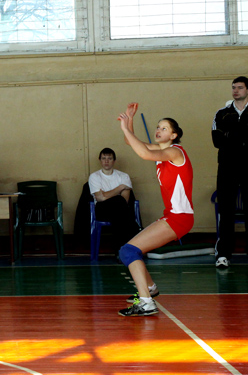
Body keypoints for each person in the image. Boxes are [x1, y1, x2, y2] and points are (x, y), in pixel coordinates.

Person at [116, 103, 193, 317]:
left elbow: (142, 153)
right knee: (129, 250)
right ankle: (149, 289)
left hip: (180, 218)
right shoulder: (161, 151)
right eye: (158, 127)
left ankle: (147, 303)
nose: (158, 130)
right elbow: (132, 143)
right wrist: (129, 122)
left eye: (164, 128)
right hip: (173, 216)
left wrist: (124, 128)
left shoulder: (175, 152)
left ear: (174, 135)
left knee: (128, 251)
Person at [212, 76, 248, 269]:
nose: (235, 90)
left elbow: (227, 137)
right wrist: (240, 136)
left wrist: (231, 135)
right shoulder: (222, 114)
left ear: (247, 90)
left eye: (240, 87)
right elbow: (217, 140)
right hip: (227, 167)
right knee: (226, 212)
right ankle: (223, 255)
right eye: (233, 87)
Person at [89, 148, 140, 254]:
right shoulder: (94, 176)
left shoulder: (124, 176)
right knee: (119, 203)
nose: (106, 161)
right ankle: (135, 232)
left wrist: (106, 194)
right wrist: (120, 188)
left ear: (114, 161)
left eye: (109, 158)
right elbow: (100, 198)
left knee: (119, 211)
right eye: (104, 158)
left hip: (119, 209)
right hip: (102, 209)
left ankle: (119, 250)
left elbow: (124, 200)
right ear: (100, 160)